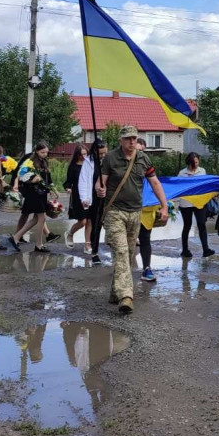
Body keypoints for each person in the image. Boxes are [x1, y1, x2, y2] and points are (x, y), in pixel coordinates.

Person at [96, 125, 168, 314]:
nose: (132, 142)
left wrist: (164, 205)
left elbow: (154, 182)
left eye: (134, 138)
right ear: (121, 140)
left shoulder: (143, 158)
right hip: (114, 212)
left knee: (127, 255)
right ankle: (126, 296)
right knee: (120, 252)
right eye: (128, 138)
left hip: (135, 212)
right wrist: (99, 189)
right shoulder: (111, 158)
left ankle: (115, 292)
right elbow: (100, 182)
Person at [11, 142, 52, 252]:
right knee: (41, 218)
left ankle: (16, 237)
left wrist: (51, 189)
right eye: (42, 152)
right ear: (37, 151)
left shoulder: (44, 161)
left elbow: (47, 176)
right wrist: (31, 180)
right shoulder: (30, 161)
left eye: (46, 152)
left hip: (42, 193)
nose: (45, 154)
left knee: (36, 219)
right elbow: (21, 175)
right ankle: (38, 244)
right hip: (33, 193)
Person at [178, 151, 214, 258]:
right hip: (186, 203)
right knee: (187, 226)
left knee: (202, 224)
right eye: (193, 163)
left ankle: (206, 249)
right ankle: (185, 250)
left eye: (197, 162)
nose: (195, 165)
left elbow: (205, 184)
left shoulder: (202, 171)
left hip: (199, 202)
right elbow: (179, 187)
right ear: (188, 163)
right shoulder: (182, 173)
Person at [79, 139, 107, 263]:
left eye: (105, 153)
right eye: (100, 153)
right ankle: (94, 251)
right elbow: (83, 180)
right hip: (94, 197)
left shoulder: (108, 161)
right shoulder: (88, 162)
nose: (102, 156)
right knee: (96, 224)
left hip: (108, 196)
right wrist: (84, 198)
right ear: (95, 152)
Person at [136, 138, 156, 283]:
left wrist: (164, 205)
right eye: (138, 151)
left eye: (142, 151)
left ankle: (146, 268)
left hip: (146, 210)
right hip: (126, 209)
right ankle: (121, 268)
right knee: (124, 241)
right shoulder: (118, 165)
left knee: (145, 239)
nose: (140, 154)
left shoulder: (146, 165)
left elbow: (156, 185)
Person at [64, 144, 88, 246]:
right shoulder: (73, 166)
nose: (84, 157)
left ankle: (88, 243)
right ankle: (70, 234)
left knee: (90, 221)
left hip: (90, 195)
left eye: (85, 154)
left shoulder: (90, 165)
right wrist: (68, 188)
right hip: (78, 196)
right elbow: (68, 182)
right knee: (82, 221)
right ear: (77, 155)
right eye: (81, 155)